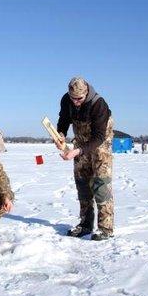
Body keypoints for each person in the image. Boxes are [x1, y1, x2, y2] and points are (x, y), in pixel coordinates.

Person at [56, 76, 115, 241]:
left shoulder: (99, 104)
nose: (75, 102)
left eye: (79, 99)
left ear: (86, 92)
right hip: (81, 142)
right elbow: (64, 119)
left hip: (100, 144)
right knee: (82, 183)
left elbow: (98, 136)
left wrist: (77, 151)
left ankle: (105, 229)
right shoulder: (66, 100)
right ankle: (85, 224)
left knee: (101, 185)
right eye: (73, 98)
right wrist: (60, 134)